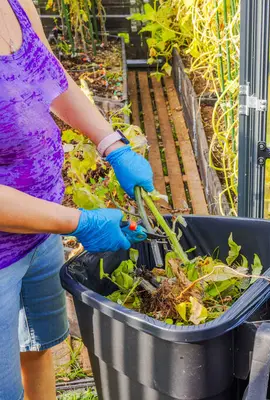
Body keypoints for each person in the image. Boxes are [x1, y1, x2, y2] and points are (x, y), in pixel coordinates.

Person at [0, 0, 155, 398]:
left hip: (39, 233)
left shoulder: (17, 6)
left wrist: (112, 145)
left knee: (36, 348)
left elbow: (50, 75)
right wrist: (80, 222)